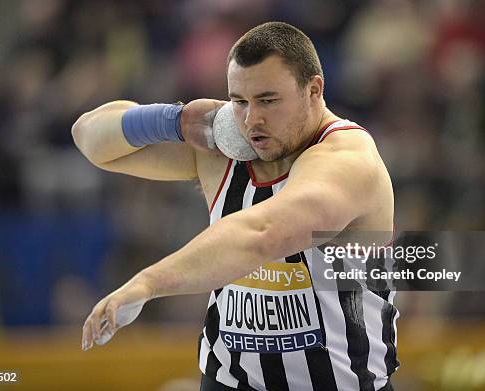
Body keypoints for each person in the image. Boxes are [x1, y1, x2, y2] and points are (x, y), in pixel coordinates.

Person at [74, 22, 397, 391]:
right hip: (228, 382)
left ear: (314, 90)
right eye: (239, 101)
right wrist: (174, 120)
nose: (251, 119)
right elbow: (89, 137)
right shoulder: (222, 149)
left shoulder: (349, 160)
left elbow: (265, 234)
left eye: (268, 100)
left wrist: (148, 283)